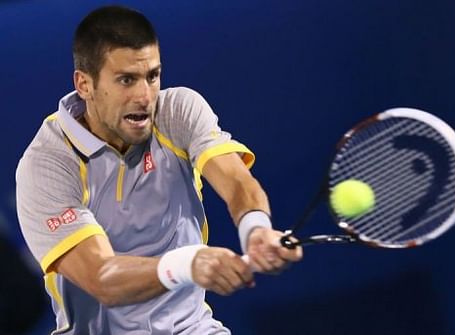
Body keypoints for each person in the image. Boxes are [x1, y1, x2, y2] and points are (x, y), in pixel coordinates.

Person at [15, 5, 302, 335]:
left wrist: (256, 230)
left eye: (152, 76)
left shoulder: (177, 111)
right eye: (126, 80)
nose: (144, 96)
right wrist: (188, 264)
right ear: (84, 84)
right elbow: (102, 278)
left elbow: (237, 182)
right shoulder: (48, 164)